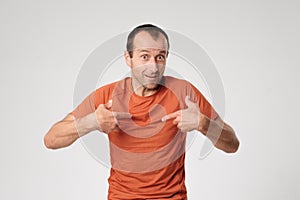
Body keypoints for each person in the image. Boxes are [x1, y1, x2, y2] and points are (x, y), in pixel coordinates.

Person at [44, 24, 239, 200]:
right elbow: (51, 140)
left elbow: (232, 145)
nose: (153, 67)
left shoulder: (183, 92)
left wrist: (204, 124)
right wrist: (91, 122)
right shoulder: (107, 95)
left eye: (160, 57)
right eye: (144, 56)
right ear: (128, 58)